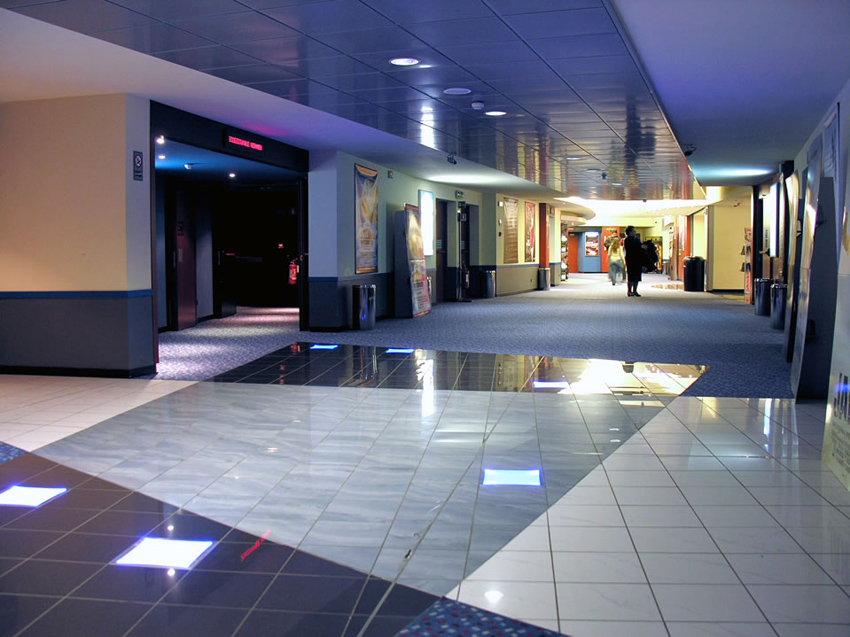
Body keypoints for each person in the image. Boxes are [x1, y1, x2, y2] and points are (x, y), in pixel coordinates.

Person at [623, 225, 643, 297]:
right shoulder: (627, 240)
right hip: (631, 260)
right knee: (631, 276)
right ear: (629, 232)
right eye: (633, 231)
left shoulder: (636, 239)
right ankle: (629, 291)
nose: (635, 232)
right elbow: (631, 248)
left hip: (637, 260)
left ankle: (635, 291)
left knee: (637, 276)